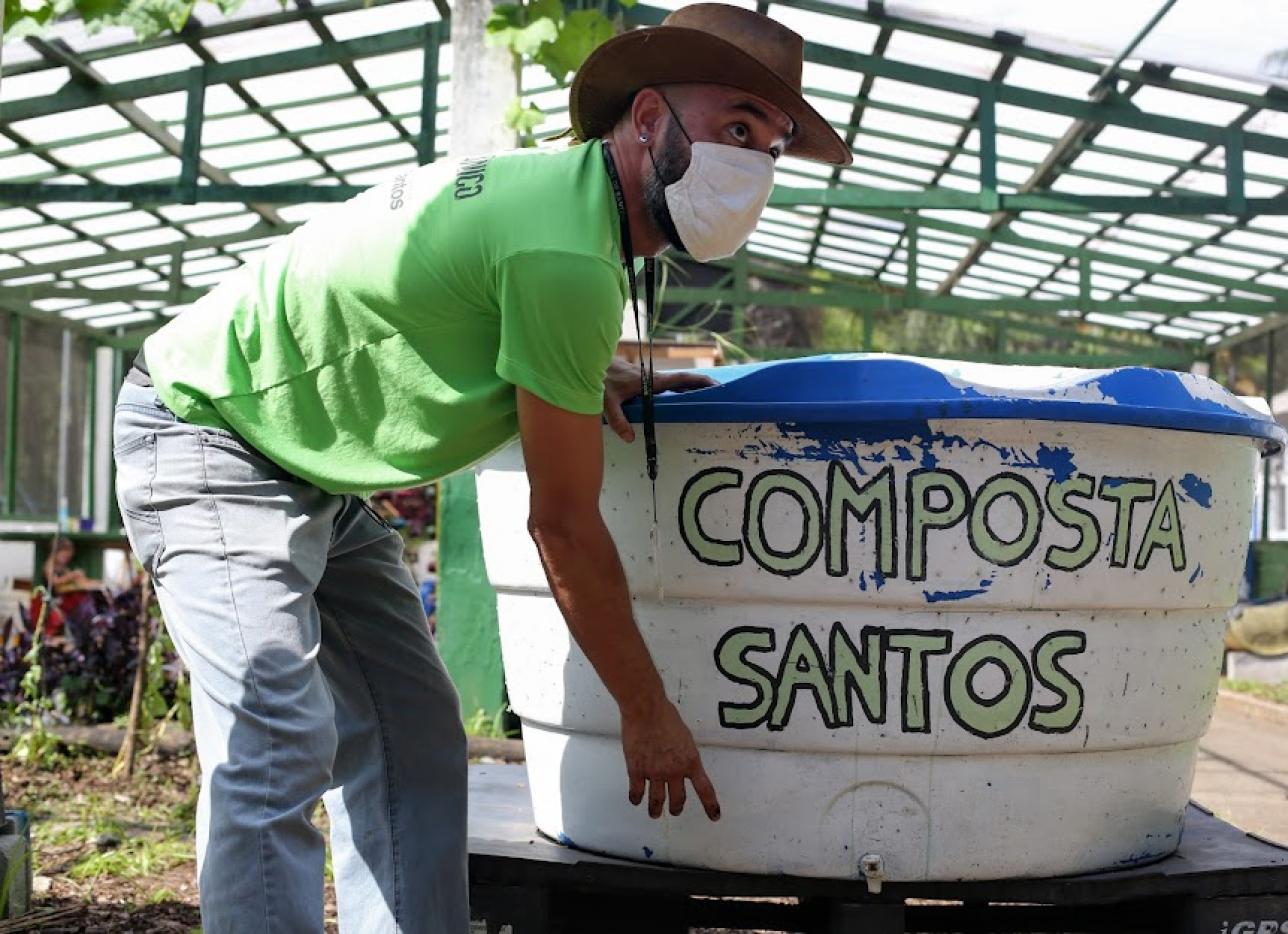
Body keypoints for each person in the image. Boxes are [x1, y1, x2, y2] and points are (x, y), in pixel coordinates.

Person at [110, 4, 851, 931]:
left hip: (308, 464)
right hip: (209, 430)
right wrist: (647, 709)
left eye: (772, 147)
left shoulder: (567, 214)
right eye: (737, 127)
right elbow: (564, 526)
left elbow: (489, 330)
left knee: (411, 736)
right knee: (274, 735)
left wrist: (584, 378)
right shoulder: (565, 254)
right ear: (651, 120)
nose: (754, 166)